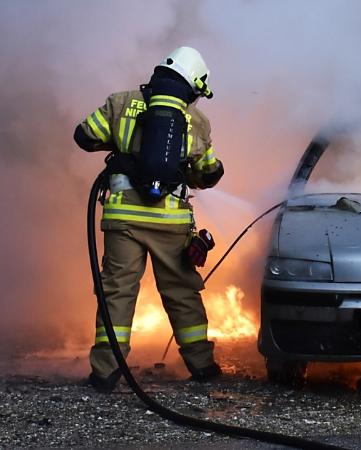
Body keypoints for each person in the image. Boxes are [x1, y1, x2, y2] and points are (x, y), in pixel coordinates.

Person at [74, 46, 225, 391]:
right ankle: (202, 366)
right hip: (169, 224)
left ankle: (105, 372)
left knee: (117, 292)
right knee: (182, 292)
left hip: (122, 220)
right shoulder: (196, 121)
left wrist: (124, 152)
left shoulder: (120, 102)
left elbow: (84, 136)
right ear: (192, 84)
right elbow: (207, 173)